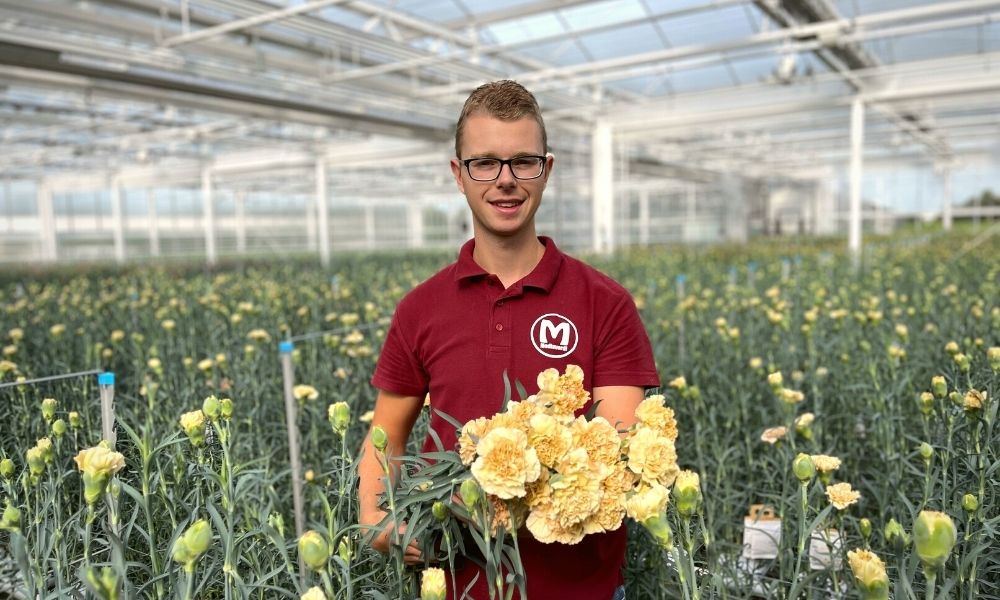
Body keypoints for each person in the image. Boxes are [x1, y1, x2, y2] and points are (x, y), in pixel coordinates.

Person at [358, 80, 660, 600]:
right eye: (485, 163)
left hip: (579, 589)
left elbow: (619, 457)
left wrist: (502, 482)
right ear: (458, 174)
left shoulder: (603, 302)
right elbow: (385, 437)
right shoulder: (420, 309)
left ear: (547, 169)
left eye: (524, 162)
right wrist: (378, 521)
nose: (505, 181)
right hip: (456, 586)